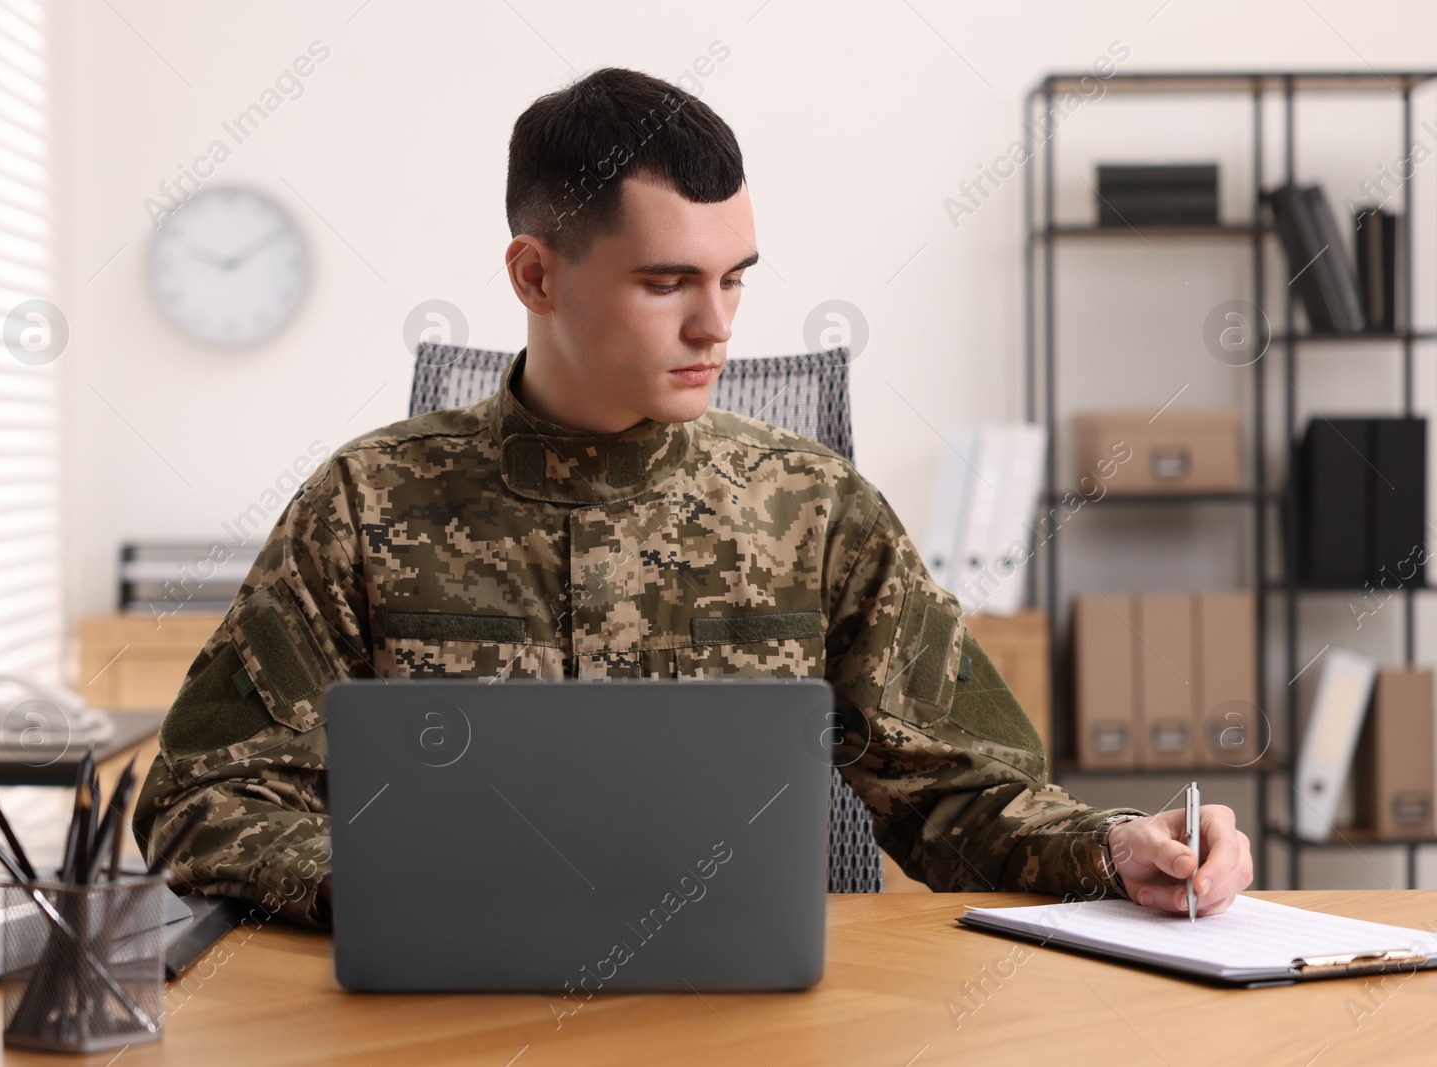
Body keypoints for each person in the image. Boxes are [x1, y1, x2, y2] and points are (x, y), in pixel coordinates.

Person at [131, 66, 1253, 928]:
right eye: (667, 282)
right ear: (535, 274)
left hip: (748, 1018)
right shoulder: (365, 505)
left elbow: (962, 793)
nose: (715, 326)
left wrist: (1117, 846)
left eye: (733, 279)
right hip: (444, 1011)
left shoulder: (816, 512)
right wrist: (404, 885)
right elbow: (197, 803)